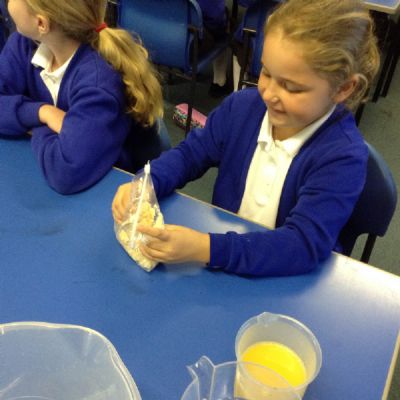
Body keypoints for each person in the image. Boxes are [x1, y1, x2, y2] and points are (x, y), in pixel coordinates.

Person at [112, 0, 380, 277]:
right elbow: (190, 155)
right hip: (229, 261)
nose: (269, 93)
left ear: (343, 88)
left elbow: (302, 245)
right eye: (266, 72)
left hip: (285, 280)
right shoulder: (241, 107)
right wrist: (147, 182)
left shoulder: (342, 156)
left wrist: (205, 248)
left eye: (291, 87)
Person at [0, 0, 163, 194]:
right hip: (41, 179)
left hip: (110, 195)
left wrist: (29, 124)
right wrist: (43, 113)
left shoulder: (98, 81)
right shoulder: (23, 44)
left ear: (41, 23)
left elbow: (66, 172)